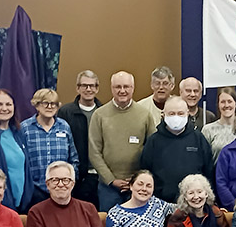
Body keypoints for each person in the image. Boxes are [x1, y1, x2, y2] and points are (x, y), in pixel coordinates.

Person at [88, 71, 158, 211]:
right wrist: (111, 180)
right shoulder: (99, 115)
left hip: (139, 186)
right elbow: (94, 152)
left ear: (133, 88)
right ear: (111, 88)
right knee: (109, 226)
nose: (122, 91)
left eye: (126, 87)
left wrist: (137, 179)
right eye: (117, 87)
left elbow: (153, 150)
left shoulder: (144, 114)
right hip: (108, 188)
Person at [139, 96, 213, 202]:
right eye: (172, 114)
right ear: (163, 115)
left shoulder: (198, 139)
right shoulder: (153, 141)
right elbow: (145, 171)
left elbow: (208, 171)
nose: (176, 117)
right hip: (160, 202)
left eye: (180, 113)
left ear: (188, 113)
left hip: (194, 202)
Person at [20, 88, 79, 206]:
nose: (50, 107)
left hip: (61, 190)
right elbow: (20, 160)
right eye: (45, 103)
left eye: (54, 104)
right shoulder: (25, 128)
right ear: (37, 105)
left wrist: (70, 182)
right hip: (34, 190)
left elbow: (73, 158)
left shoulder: (64, 126)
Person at [57, 70, 103, 206]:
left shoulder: (104, 112)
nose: (88, 89)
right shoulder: (66, 112)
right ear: (78, 88)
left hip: (100, 175)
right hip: (77, 176)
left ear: (97, 88)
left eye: (92, 86)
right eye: (84, 86)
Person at [200, 86, 236, 161]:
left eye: (229, 101)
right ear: (218, 105)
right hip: (215, 171)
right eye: (223, 102)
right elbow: (203, 158)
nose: (226, 105)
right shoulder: (208, 130)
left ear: (235, 104)